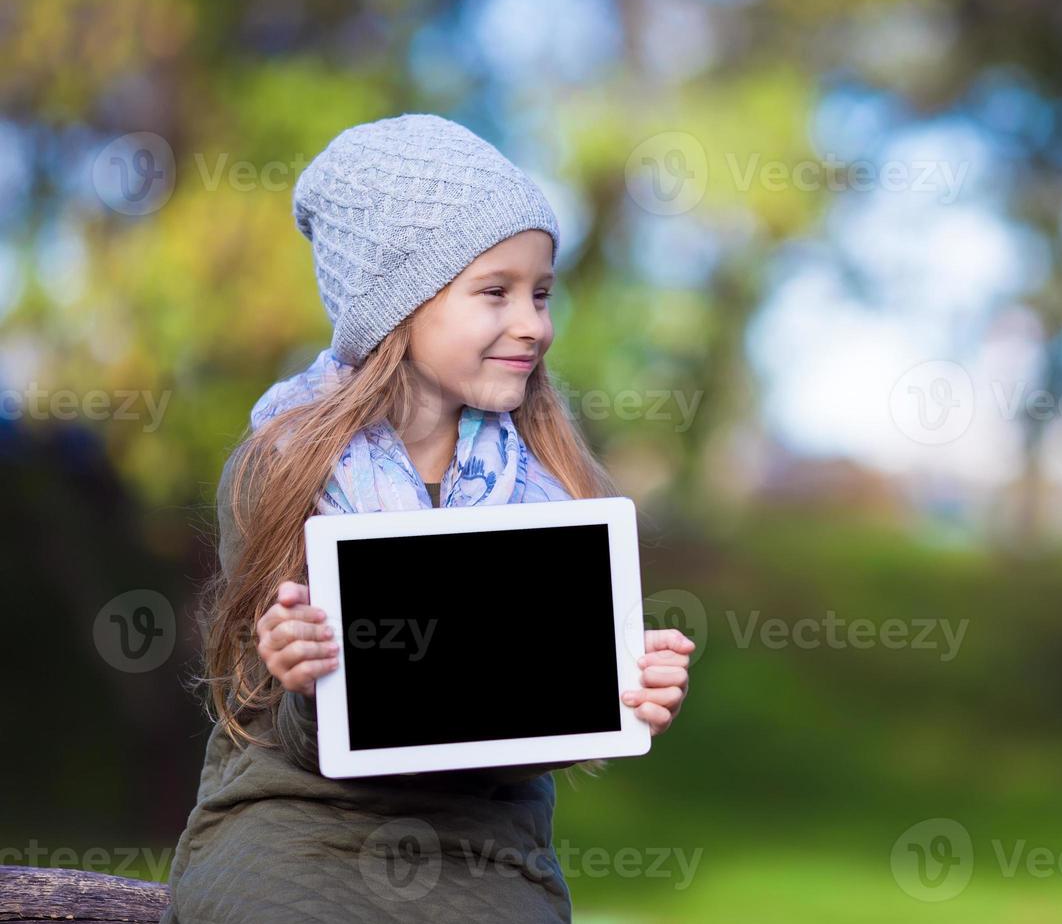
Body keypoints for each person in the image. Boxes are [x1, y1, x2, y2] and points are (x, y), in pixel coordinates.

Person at [160, 114, 693, 923]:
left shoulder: (546, 481)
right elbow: (291, 734)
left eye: (542, 293)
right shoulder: (285, 463)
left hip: (483, 843)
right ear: (397, 305)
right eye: (495, 292)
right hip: (300, 825)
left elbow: (536, 721)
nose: (534, 325)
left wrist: (622, 692)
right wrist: (298, 673)